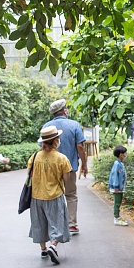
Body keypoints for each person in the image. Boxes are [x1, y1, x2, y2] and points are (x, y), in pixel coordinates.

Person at [28, 125, 72, 264]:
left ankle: (43, 249)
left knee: (40, 223)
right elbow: (66, 179)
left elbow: (30, 174)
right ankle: (53, 246)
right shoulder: (61, 158)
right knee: (57, 223)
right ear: (55, 141)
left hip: (36, 196)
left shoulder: (34, 157)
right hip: (54, 195)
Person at [42, 99, 87, 234]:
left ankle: (54, 224)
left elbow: (42, 148)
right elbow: (80, 146)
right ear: (65, 111)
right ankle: (71, 224)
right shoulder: (74, 125)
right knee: (71, 195)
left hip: (51, 169)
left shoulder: (47, 126)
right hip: (70, 168)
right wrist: (84, 164)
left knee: (53, 195)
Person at [108, 145, 129, 226]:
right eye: (125, 153)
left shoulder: (120, 163)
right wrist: (116, 186)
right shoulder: (117, 164)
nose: (126, 154)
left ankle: (118, 217)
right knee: (117, 203)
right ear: (121, 154)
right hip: (117, 188)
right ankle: (116, 218)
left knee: (119, 202)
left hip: (120, 187)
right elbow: (115, 176)